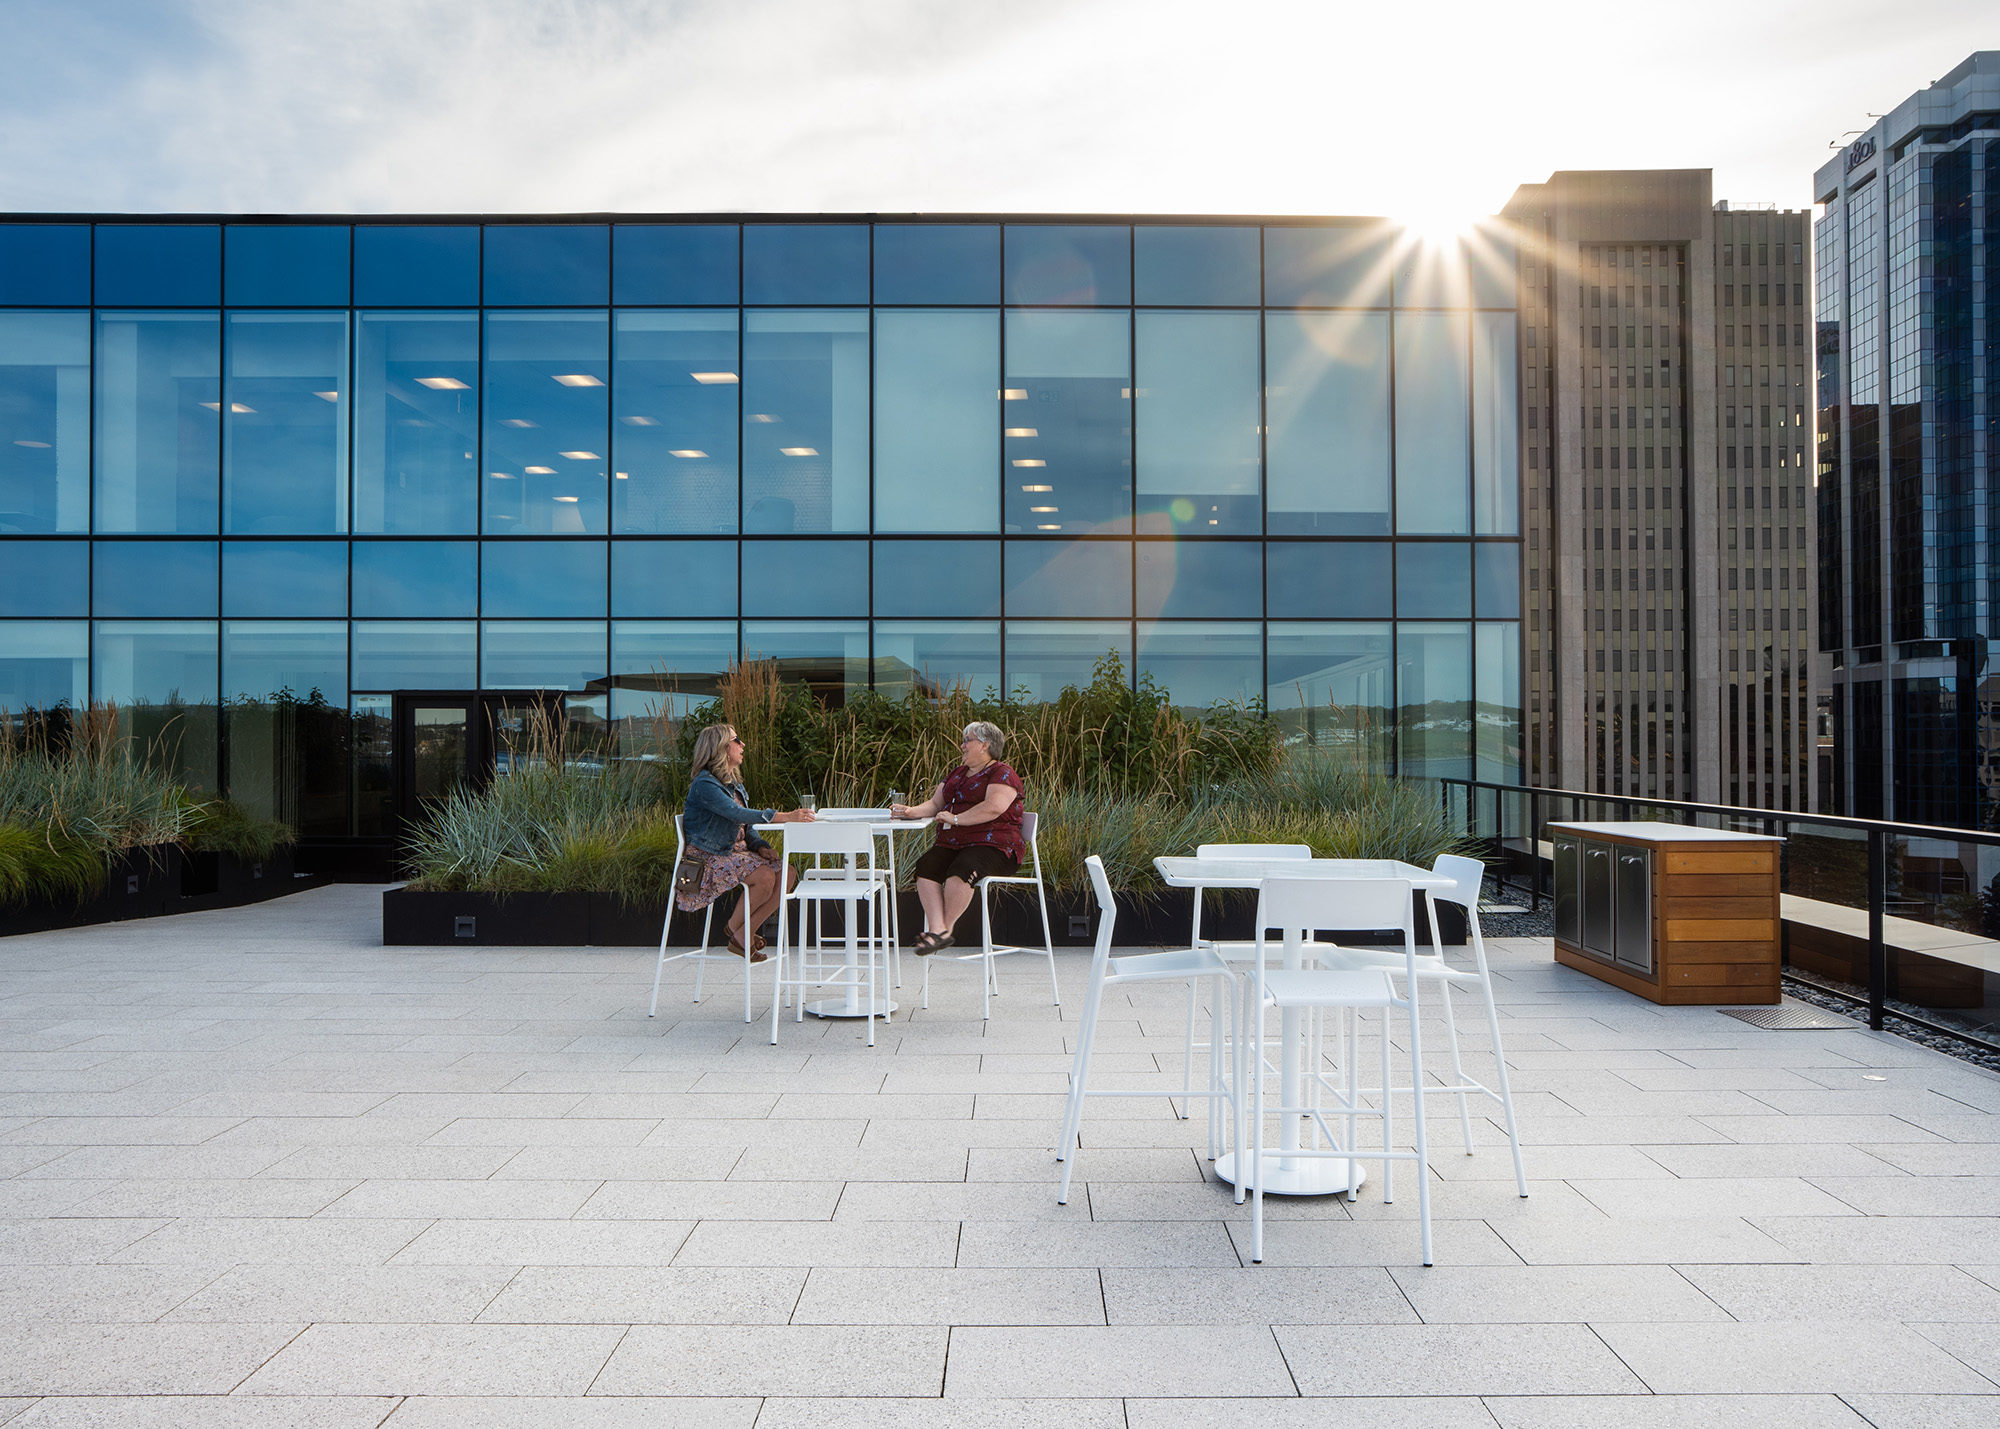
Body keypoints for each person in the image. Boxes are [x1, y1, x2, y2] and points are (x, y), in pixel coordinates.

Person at [677, 723, 814, 960]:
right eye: (736, 740)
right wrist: (783, 817)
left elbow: (745, 828)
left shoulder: (734, 784)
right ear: (720, 748)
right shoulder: (705, 785)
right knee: (764, 877)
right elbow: (737, 814)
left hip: (736, 853)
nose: (743, 745)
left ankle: (741, 933)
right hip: (709, 858)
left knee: (787, 873)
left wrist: (761, 846)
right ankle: (740, 933)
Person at [890, 721, 1023, 954]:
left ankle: (943, 930)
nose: (962, 746)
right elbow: (934, 804)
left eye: (967, 741)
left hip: (994, 845)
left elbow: (994, 807)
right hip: (954, 843)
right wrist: (910, 811)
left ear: (985, 745)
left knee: (961, 870)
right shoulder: (957, 773)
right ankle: (938, 931)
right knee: (925, 867)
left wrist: (957, 819)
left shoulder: (1002, 773)